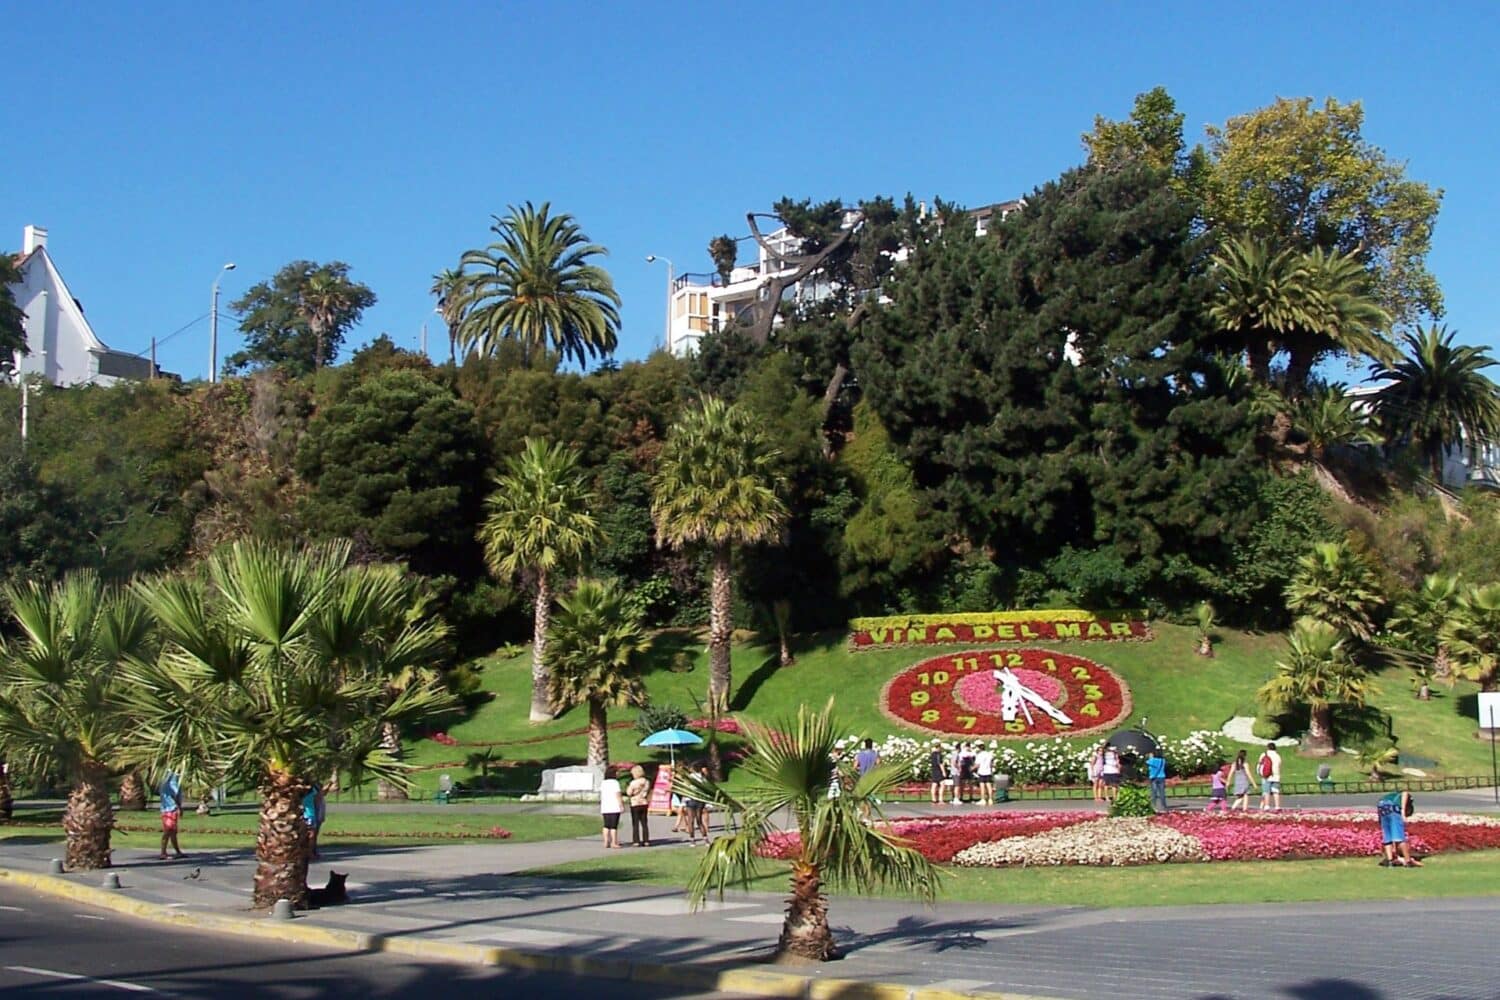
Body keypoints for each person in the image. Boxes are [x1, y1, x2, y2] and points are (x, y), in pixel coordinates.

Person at [1377, 789, 1422, 867]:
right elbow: (1405, 792)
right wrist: (1403, 811)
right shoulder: (1403, 796)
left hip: (1381, 806)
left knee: (1388, 837)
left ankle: (1390, 861)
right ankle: (1408, 861)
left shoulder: (1390, 795)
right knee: (1400, 837)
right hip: (1393, 807)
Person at [158, 770, 185, 860]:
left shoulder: (175, 778)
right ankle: (163, 852)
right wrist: (179, 807)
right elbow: (173, 795)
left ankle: (178, 852)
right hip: (168, 809)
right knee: (168, 830)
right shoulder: (169, 779)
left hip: (171, 809)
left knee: (173, 832)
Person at [625, 765, 651, 847]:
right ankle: (646, 840)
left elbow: (629, 793)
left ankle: (636, 840)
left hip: (635, 803)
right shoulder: (646, 781)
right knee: (644, 823)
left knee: (635, 823)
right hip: (644, 802)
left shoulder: (633, 783)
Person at [599, 769, 623, 849]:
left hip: (605, 806)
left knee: (606, 825)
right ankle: (614, 842)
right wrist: (621, 805)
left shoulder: (603, 783)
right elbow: (618, 794)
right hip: (614, 806)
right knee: (613, 826)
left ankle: (606, 841)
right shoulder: (615, 783)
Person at [302, 782, 326, 859]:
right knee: (311, 835)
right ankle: (309, 853)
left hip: (311, 814)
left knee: (310, 834)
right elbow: (318, 798)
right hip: (309, 815)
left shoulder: (311, 791)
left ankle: (310, 852)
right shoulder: (311, 791)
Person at [1258, 743, 1283, 811]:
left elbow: (1260, 763)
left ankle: (1267, 805)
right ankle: (1277, 806)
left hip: (1267, 775)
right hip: (1276, 776)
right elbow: (1279, 765)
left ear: (1268, 748)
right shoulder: (1278, 756)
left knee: (1267, 791)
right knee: (1276, 791)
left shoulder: (1264, 754)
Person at [1147, 747, 1168, 813]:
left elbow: (1147, 762)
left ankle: (1153, 805)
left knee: (1154, 792)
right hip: (1162, 776)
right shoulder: (1163, 760)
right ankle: (1163, 805)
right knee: (1162, 792)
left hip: (1153, 777)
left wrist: (1150, 756)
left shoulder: (1152, 760)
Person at [975, 742, 996, 807]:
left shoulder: (979, 755)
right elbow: (991, 763)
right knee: (989, 785)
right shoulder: (989, 754)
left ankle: (983, 799)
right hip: (988, 771)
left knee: (982, 786)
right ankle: (990, 799)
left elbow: (977, 764)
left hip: (981, 771)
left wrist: (972, 768)